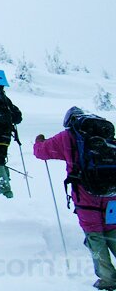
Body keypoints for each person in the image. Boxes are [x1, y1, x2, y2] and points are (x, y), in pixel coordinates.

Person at [34, 107, 116, 291]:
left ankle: (108, 279)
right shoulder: (105, 132)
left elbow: (41, 152)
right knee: (113, 231)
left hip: (87, 197)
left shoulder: (68, 136)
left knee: (95, 235)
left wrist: (39, 142)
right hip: (112, 194)